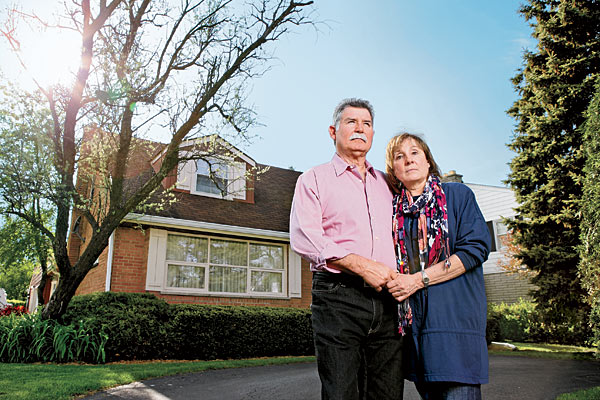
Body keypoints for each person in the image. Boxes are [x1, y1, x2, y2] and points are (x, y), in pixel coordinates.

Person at [290, 98, 404, 400]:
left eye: (366, 124)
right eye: (351, 122)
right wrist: (362, 265)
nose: (359, 128)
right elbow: (305, 236)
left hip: (388, 300)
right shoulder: (313, 180)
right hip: (338, 297)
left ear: (373, 134)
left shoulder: (388, 183)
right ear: (333, 131)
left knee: (388, 393)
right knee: (341, 392)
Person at [384, 132, 491, 400]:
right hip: (418, 339)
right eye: (400, 157)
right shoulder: (394, 214)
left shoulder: (457, 196)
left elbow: (475, 248)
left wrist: (417, 280)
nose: (408, 160)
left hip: (455, 333)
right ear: (394, 170)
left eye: (415, 153)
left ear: (428, 161)